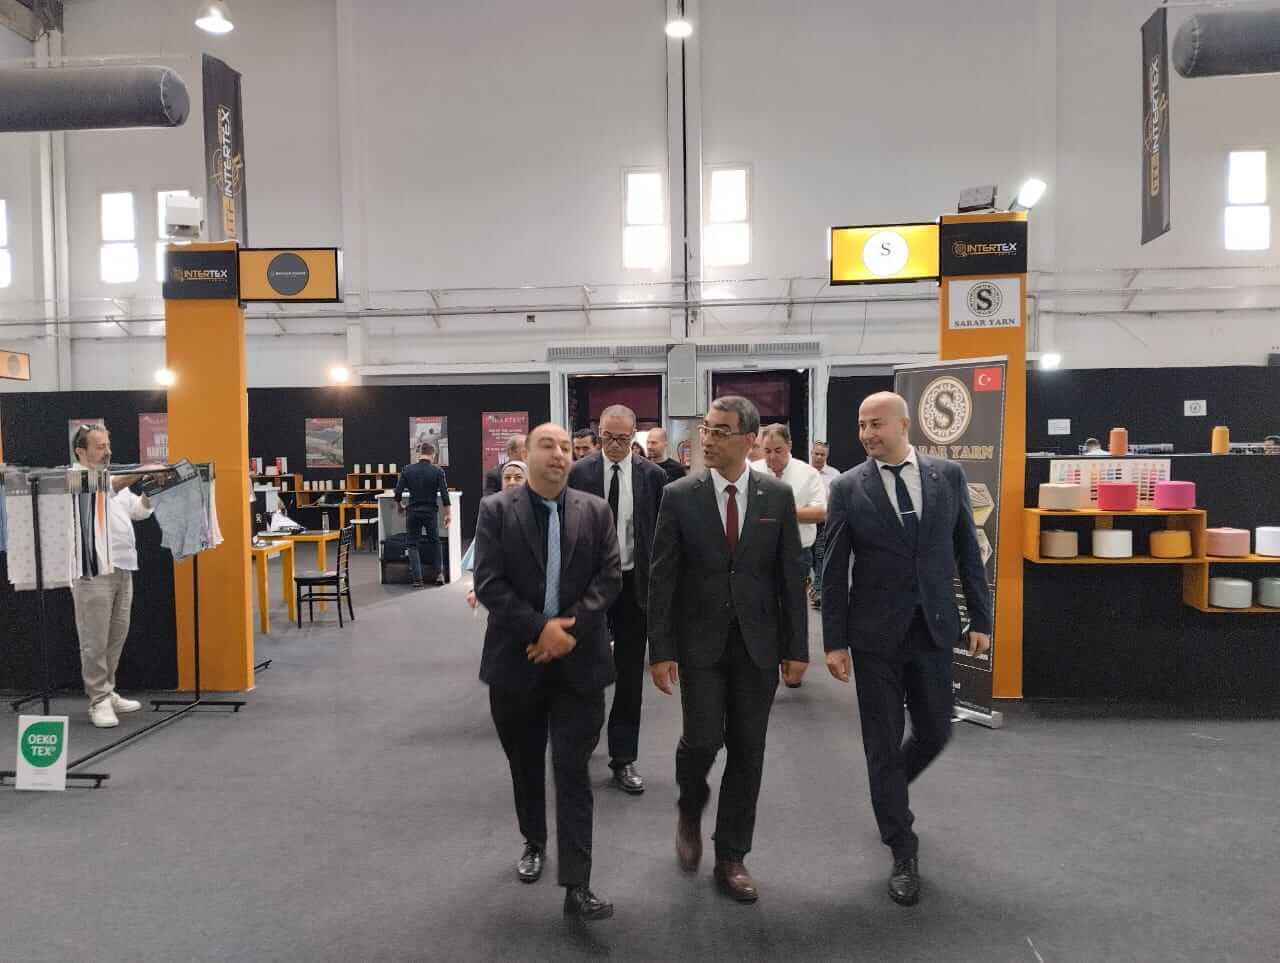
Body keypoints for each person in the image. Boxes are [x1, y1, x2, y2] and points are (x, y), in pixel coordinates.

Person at [821, 391, 992, 907]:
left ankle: (888, 788)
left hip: (934, 630)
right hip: (874, 637)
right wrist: (834, 641)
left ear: (903, 424)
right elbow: (833, 569)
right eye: (861, 425)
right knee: (882, 742)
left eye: (876, 424)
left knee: (936, 731)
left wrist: (981, 618)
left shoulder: (948, 476)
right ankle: (902, 846)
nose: (867, 434)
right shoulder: (848, 488)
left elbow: (967, 549)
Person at [647, 396, 808, 904]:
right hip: (699, 643)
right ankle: (690, 804)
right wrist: (660, 649)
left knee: (747, 749)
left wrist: (796, 647)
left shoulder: (776, 496)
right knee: (701, 740)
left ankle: (732, 855)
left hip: (758, 645)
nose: (709, 440)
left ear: (749, 440)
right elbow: (662, 577)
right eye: (706, 430)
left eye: (721, 431)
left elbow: (790, 577)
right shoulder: (679, 495)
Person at [474, 423, 622, 921]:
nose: (559, 454)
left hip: (580, 662)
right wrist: (540, 629)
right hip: (516, 661)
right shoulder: (496, 510)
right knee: (525, 762)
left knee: (573, 769)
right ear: (525, 454)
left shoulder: (595, 510)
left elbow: (609, 579)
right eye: (547, 445)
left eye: (564, 447)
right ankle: (533, 840)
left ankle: (578, 883)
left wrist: (566, 630)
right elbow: (489, 582)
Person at [568, 404, 667, 795]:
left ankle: (623, 757)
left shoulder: (653, 476)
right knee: (584, 667)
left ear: (634, 436)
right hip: (589, 586)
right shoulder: (579, 473)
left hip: (633, 584)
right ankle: (581, 744)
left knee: (629, 676)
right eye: (607, 437)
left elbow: (660, 533)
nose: (614, 445)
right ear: (598, 433)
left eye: (622, 439)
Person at [69, 425, 162, 728]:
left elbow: (139, 511)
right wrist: (141, 471)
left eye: (108, 445)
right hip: (93, 570)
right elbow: (107, 488)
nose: (107, 452)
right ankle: (98, 699)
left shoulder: (110, 479)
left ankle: (107, 691)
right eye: (100, 447)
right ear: (81, 452)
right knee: (94, 639)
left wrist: (151, 490)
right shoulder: (76, 479)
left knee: (115, 636)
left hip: (123, 567)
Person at [752, 424, 827, 634]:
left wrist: (783, 513)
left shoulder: (808, 473)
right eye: (767, 451)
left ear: (789, 446)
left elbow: (820, 512)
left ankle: (792, 648)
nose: (772, 457)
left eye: (778, 450)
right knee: (759, 608)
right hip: (758, 552)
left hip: (797, 553)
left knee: (792, 609)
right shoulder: (751, 471)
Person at [464, 460, 526, 610]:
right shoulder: (492, 512)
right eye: (507, 478)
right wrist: (477, 588)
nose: (512, 482)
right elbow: (483, 557)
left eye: (518, 478)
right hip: (501, 591)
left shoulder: (540, 510)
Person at [394, 442, 451, 588]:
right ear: (433, 454)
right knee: (435, 542)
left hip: (413, 512)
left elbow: (398, 492)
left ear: (419, 453)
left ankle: (417, 580)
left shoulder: (407, 469)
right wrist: (448, 514)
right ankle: (439, 575)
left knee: (412, 544)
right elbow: (444, 494)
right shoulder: (438, 471)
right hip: (430, 512)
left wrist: (400, 506)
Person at [809, 441, 840, 609]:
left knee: (820, 554)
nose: (819, 457)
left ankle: (818, 589)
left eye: (822, 454)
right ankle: (815, 585)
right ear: (811, 453)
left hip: (825, 521)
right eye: (816, 453)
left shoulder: (834, 475)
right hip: (806, 521)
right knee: (809, 557)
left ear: (827, 456)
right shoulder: (803, 472)